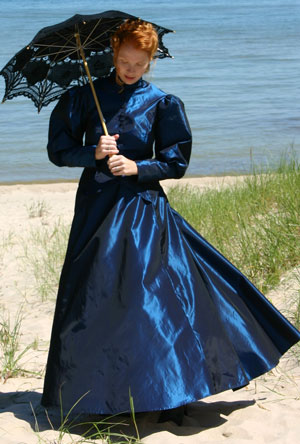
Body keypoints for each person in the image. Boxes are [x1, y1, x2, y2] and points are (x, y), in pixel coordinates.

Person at [41, 19, 300, 424]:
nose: (130, 69)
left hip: (141, 209)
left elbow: (175, 162)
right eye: (125, 61)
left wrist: (138, 166)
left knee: (149, 298)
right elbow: (58, 149)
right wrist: (93, 151)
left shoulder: (162, 103)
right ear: (113, 53)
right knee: (93, 296)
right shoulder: (82, 97)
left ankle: (163, 389)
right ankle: (93, 392)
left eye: (139, 64)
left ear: (151, 61)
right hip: (95, 208)